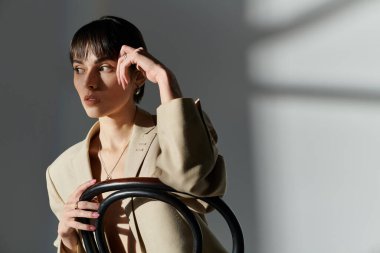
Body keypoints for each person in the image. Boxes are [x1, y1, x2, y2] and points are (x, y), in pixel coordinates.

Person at [46, 15, 227, 253]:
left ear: (138, 75)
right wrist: (69, 241)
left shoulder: (175, 134)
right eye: (79, 69)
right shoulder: (61, 171)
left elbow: (194, 183)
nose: (88, 82)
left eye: (104, 68)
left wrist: (164, 79)